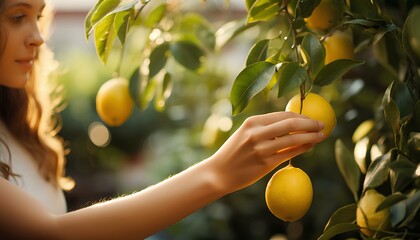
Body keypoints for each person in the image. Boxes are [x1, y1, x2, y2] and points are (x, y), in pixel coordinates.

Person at [0, 0, 325, 239]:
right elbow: (51, 234)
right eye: (17, 17)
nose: (38, 37)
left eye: (38, 17)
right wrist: (218, 173)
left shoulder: (16, 125)